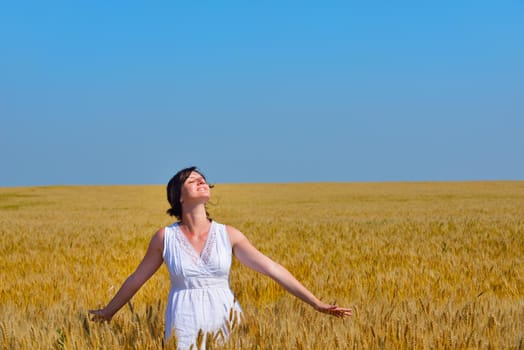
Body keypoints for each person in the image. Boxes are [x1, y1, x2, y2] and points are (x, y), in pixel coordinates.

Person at [89, 166, 352, 349]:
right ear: (179, 196)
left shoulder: (229, 235)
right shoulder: (164, 238)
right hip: (184, 320)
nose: (201, 181)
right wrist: (108, 312)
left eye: (202, 178)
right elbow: (136, 280)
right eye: (192, 180)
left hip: (226, 318)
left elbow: (273, 269)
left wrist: (316, 303)